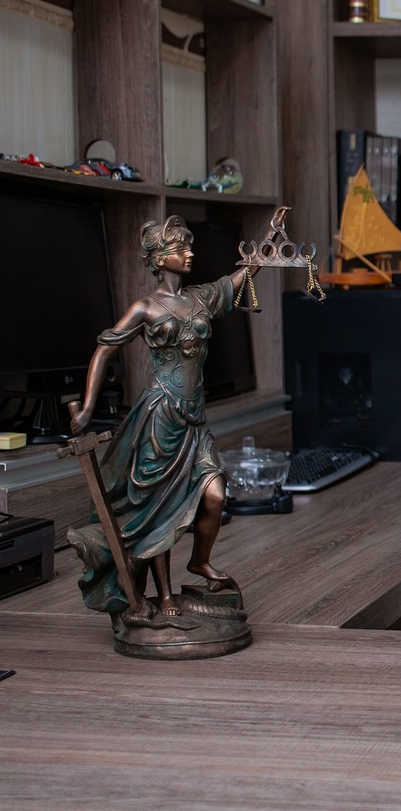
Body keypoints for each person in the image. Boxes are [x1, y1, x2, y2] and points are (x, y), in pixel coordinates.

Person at [67, 216, 260, 621]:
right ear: (159, 258)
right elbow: (105, 350)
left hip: (195, 420)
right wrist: (87, 408)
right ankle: (166, 596)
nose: (190, 253)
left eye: (190, 246)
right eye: (181, 249)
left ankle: (200, 561)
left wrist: (269, 247)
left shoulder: (199, 298)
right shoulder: (145, 307)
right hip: (161, 419)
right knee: (160, 510)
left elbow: (236, 279)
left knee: (215, 494)